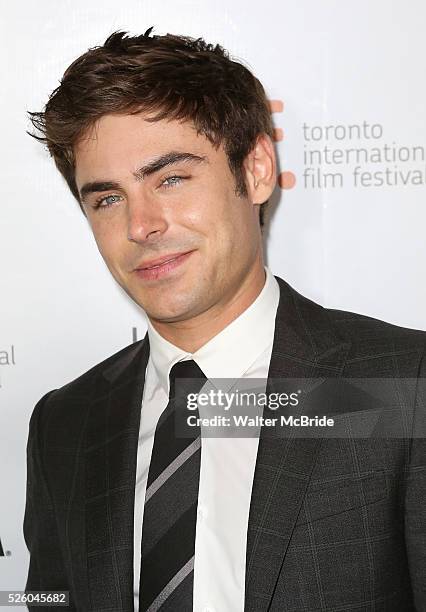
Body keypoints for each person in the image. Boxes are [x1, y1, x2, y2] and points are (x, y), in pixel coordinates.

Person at [24, 29, 425, 611]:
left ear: (257, 170)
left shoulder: (402, 388)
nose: (142, 224)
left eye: (171, 178)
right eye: (107, 198)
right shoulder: (65, 423)